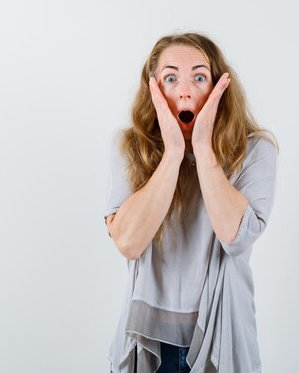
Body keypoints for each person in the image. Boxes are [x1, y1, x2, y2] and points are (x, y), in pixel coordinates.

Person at [104, 32, 279, 373]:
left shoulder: (256, 151)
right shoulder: (128, 148)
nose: (184, 90)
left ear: (218, 89)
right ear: (154, 91)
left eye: (199, 77)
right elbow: (128, 241)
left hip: (223, 346)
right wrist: (172, 153)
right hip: (147, 347)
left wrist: (202, 147)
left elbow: (235, 235)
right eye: (171, 78)